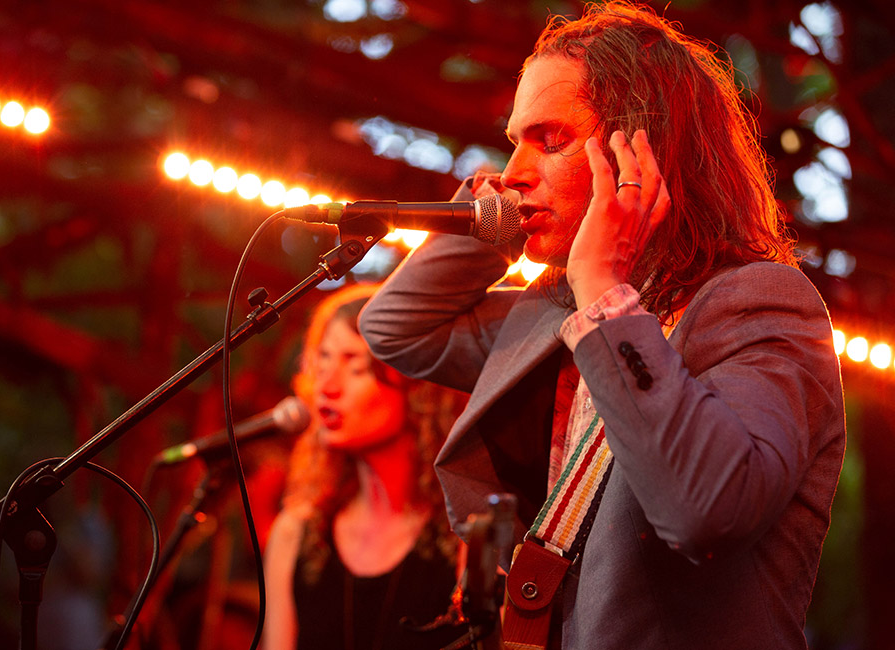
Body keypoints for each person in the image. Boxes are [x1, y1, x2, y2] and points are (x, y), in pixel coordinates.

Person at [359, 3, 846, 649]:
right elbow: (396, 327)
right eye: (512, 141)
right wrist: (493, 213)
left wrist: (604, 290)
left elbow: (705, 510)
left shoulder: (761, 300)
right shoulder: (555, 312)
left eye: (549, 138)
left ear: (638, 149)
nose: (513, 170)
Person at [262, 283, 466, 650]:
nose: (326, 385)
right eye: (321, 360)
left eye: (354, 365)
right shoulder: (296, 535)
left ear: (416, 383)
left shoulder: (465, 542)